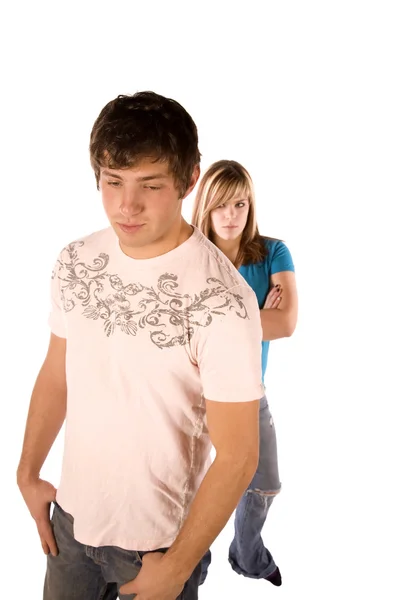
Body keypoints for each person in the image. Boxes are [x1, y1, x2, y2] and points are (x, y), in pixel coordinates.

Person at [16, 92, 266, 600]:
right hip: (70, 525)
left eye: (149, 186)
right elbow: (57, 372)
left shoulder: (222, 300)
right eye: (112, 183)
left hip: (157, 548)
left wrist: (176, 569)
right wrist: (27, 471)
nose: (125, 206)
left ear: (189, 180)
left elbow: (239, 456)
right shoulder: (76, 260)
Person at [192, 159, 298, 586]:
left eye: (240, 204)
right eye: (222, 206)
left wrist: (220, 323)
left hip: (249, 391)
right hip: (194, 392)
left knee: (265, 482)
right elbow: (185, 331)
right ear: (206, 207)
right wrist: (256, 316)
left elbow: (287, 323)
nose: (232, 216)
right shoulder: (191, 258)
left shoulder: (273, 252)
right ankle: (192, 565)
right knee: (192, 487)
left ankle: (247, 555)